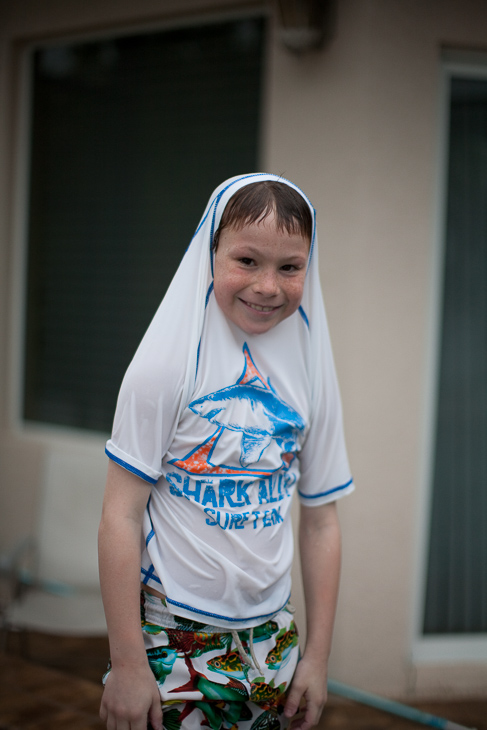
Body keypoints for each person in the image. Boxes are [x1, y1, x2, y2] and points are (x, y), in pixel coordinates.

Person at [98, 173, 354, 730]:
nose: (267, 286)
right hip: (171, 633)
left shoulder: (311, 370)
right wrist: (127, 665)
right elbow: (120, 515)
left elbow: (321, 521)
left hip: (274, 635)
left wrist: (317, 656)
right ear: (208, 254)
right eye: (246, 261)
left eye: (290, 267)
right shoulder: (164, 367)